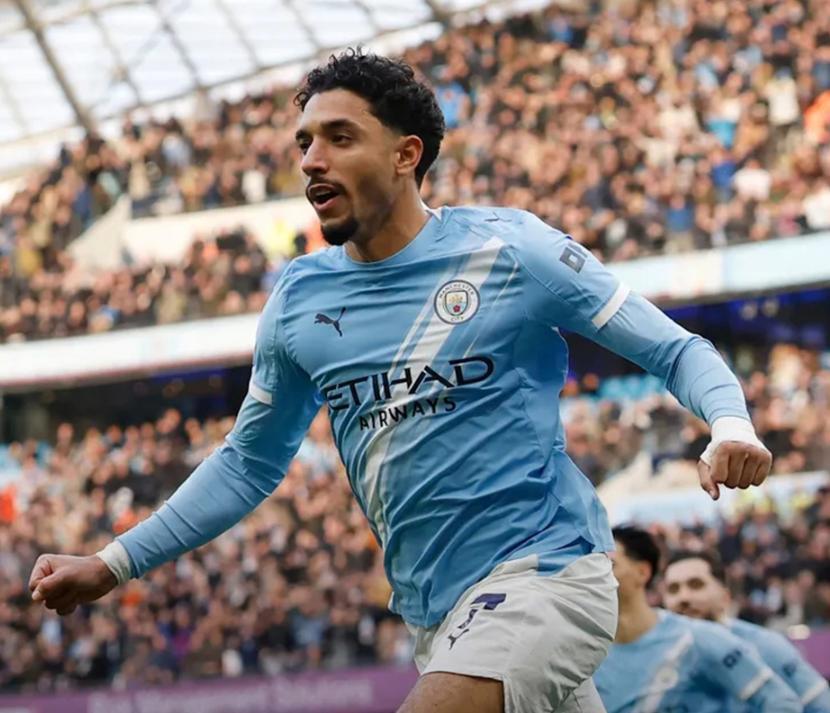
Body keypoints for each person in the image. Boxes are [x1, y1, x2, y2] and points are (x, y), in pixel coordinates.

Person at [29, 50, 773, 713]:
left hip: (547, 575)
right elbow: (248, 462)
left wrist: (731, 425)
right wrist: (113, 562)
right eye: (304, 142)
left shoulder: (510, 251)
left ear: (405, 154)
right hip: (440, 617)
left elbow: (676, 349)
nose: (311, 160)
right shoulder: (300, 299)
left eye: (339, 137)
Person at [595, 526, 802, 712]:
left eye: (609, 565)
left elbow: (782, 702)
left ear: (643, 572)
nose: (596, 576)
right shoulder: (589, 654)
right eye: (673, 589)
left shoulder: (698, 637)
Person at [664, 550, 830, 712]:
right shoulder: (658, 656)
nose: (683, 597)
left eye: (696, 585)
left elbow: (822, 705)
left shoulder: (765, 646)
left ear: (725, 597)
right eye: (673, 589)